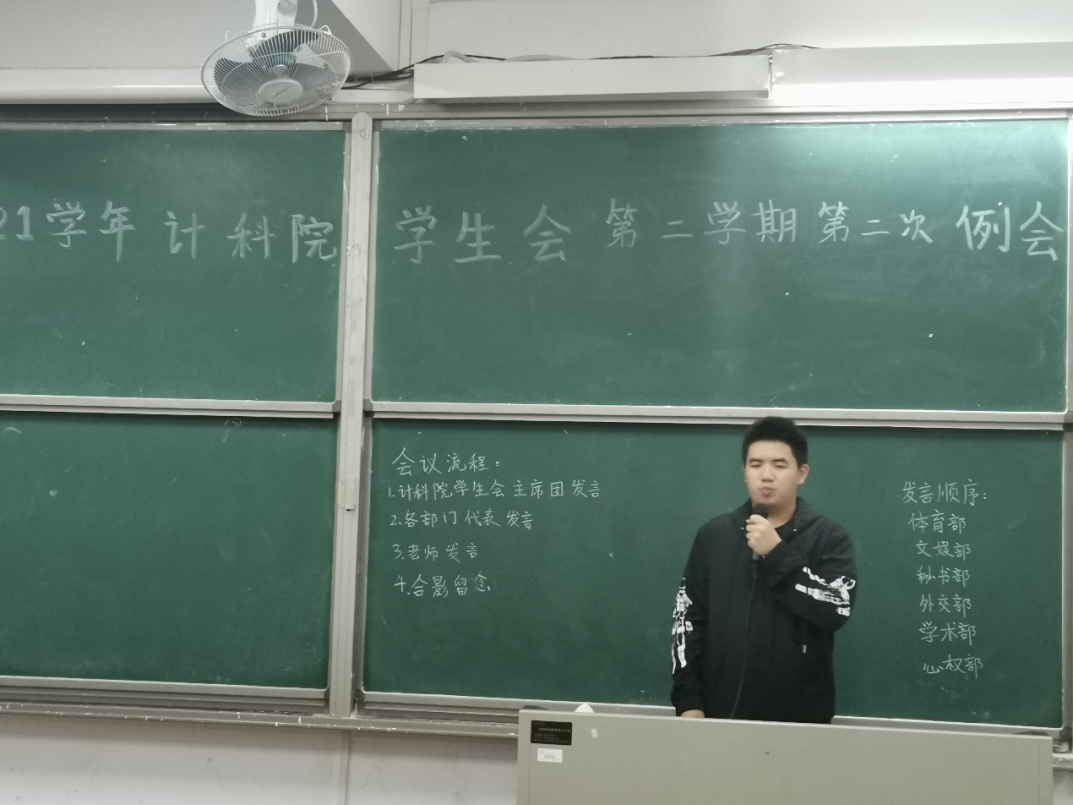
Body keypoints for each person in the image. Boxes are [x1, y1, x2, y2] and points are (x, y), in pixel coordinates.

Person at [671, 416, 857, 723]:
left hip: (801, 722)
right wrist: (688, 701)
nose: (766, 475)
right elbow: (687, 621)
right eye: (756, 464)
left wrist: (777, 554)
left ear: (802, 473)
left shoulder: (828, 537)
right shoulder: (714, 536)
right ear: (744, 471)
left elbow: (836, 609)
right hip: (720, 715)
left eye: (779, 465)